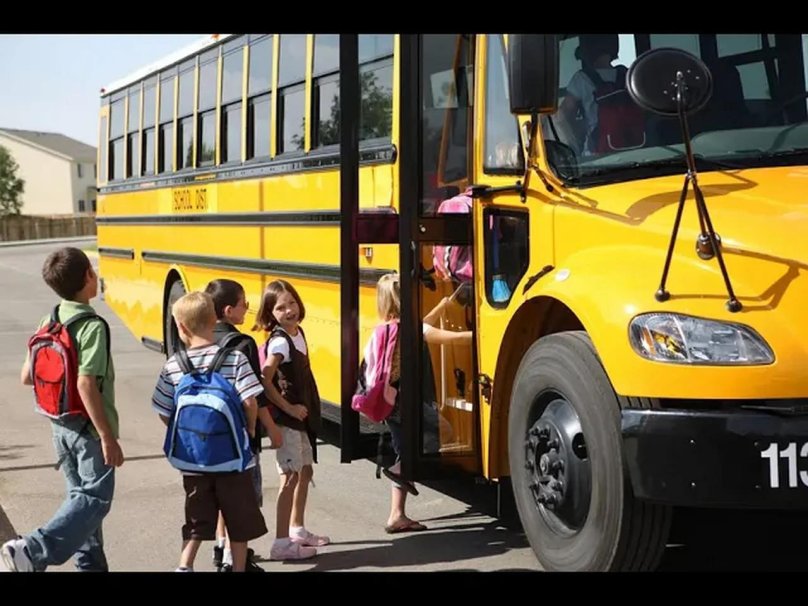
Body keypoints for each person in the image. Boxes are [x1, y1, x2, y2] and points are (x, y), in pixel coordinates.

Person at [2, 247, 124, 573]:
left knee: (80, 503)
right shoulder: (92, 326)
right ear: (88, 276)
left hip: (59, 425)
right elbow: (86, 384)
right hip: (88, 429)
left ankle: (90, 567)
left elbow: (27, 376)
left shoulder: (50, 318)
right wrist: (107, 437)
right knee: (95, 498)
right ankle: (30, 550)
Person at [151, 291, 267, 572]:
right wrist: (250, 428)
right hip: (233, 460)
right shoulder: (235, 358)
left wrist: (188, 436)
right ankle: (237, 567)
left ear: (180, 327)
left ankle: (185, 565)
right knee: (238, 521)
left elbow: (164, 409)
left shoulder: (174, 365)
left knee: (196, 518)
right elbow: (250, 401)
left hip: (194, 462)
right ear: (215, 320)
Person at [362, 273, 471, 534]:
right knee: (443, 432)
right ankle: (401, 470)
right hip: (406, 402)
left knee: (405, 449)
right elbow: (444, 337)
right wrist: (479, 335)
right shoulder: (408, 330)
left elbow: (423, 326)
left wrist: (442, 307)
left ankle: (396, 514)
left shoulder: (385, 329)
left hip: (388, 401)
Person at [204, 278, 283, 573]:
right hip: (239, 436)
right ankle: (234, 559)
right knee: (241, 500)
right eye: (243, 304)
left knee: (221, 494)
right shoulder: (243, 344)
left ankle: (220, 546)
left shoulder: (201, 339)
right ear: (228, 311)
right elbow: (254, 396)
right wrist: (268, 428)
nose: (247, 308)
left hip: (209, 434)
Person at [253, 279, 328, 561]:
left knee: (305, 471)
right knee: (290, 477)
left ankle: (297, 529)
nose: (289, 310)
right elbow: (265, 378)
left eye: (292, 303)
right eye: (280, 307)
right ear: (270, 314)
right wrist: (289, 408)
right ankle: (281, 542)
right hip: (288, 420)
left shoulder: (297, 332)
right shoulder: (280, 342)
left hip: (302, 418)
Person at [557, 34, 643, 155]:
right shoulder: (628, 76)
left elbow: (563, 116)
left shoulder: (581, 79)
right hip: (636, 149)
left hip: (597, 154)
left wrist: (574, 143)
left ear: (588, 51)